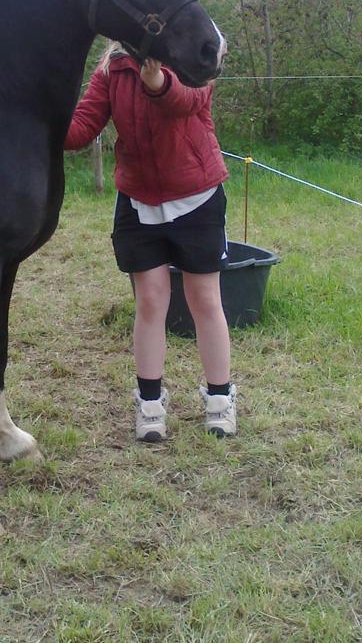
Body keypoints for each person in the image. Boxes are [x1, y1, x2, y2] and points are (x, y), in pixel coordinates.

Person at [65, 42, 235, 441]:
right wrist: (42, 110)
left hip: (197, 196)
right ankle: (150, 407)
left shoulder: (194, 50)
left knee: (205, 300)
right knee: (151, 301)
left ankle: (220, 401)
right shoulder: (111, 67)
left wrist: (156, 81)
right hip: (139, 201)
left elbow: (187, 100)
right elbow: (81, 129)